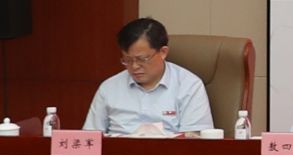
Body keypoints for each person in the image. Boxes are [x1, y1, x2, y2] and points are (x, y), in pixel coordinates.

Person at [81, 17, 213, 137]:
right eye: (127, 60)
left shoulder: (189, 86)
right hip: (118, 154)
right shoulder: (109, 88)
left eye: (142, 59)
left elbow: (196, 142)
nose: (134, 66)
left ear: (163, 52)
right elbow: (89, 139)